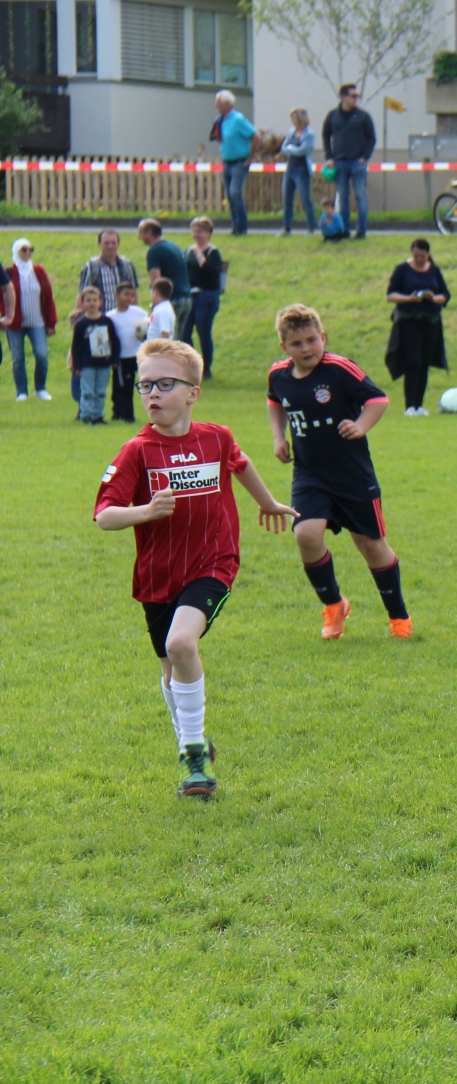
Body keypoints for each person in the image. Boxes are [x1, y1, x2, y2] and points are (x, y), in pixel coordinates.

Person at [94, 338, 296, 798]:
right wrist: (145, 511)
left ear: (193, 392)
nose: (152, 393)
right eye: (145, 385)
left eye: (165, 384)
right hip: (157, 577)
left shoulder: (215, 437)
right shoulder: (137, 450)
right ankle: (197, 741)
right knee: (172, 672)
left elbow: (239, 463)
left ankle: (193, 758)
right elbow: (105, 515)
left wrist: (267, 502)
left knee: (181, 642)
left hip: (213, 561)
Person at [267, 304, 411, 640]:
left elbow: (377, 400)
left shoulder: (339, 368)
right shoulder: (278, 375)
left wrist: (360, 426)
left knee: (370, 545)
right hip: (309, 475)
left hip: (352, 475)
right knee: (305, 535)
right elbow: (274, 400)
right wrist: (278, 436)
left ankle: (398, 617)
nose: (306, 348)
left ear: (324, 337)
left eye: (311, 340)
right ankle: (334, 605)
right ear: (284, 347)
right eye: (297, 343)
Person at [383, 238, 450, 416]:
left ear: (428, 255)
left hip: (431, 321)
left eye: (422, 256)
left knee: (425, 362)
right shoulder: (402, 269)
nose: (419, 259)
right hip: (408, 320)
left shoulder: (434, 270)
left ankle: (419, 405)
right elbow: (390, 295)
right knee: (413, 361)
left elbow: (445, 295)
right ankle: (409, 406)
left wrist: (432, 298)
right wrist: (410, 298)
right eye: (416, 256)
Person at [323, 83, 376, 240]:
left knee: (360, 195)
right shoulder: (333, 116)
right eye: (353, 96)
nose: (356, 99)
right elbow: (325, 135)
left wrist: (365, 156)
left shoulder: (363, 116)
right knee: (343, 197)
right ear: (344, 97)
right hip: (340, 162)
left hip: (357, 162)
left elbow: (372, 138)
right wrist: (329, 157)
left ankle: (361, 231)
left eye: (357, 96)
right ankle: (344, 230)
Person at [4, 237, 52, 401]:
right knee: (18, 358)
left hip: (37, 322)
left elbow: (48, 296)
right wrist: (5, 317)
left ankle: (40, 388)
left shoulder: (39, 271)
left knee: (41, 355)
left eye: (30, 249)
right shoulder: (8, 272)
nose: (28, 253)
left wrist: (51, 322)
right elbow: (3, 296)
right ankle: (22, 392)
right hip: (15, 323)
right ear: (16, 252)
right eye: (24, 250)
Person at [67, 286, 120, 425]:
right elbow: (76, 346)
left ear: (100, 302)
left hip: (104, 362)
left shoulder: (106, 321)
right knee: (87, 391)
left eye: (94, 300)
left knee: (100, 391)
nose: (92, 303)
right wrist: (77, 365)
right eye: (88, 300)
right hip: (87, 363)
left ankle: (98, 415)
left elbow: (114, 341)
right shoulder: (81, 324)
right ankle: (86, 415)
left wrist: (114, 359)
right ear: (83, 303)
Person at [207, 90, 256, 237]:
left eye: (218, 103)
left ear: (227, 104)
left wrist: (250, 157)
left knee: (235, 193)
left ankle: (242, 227)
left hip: (239, 162)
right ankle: (236, 227)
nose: (216, 106)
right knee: (230, 196)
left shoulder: (238, 119)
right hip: (227, 162)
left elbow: (256, 136)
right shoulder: (221, 120)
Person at [184, 217, 225, 381]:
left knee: (203, 332)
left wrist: (199, 254)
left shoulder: (213, 252)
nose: (196, 235)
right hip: (190, 295)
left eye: (200, 232)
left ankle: (206, 368)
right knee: (185, 332)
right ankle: (191, 366)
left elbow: (211, 272)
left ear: (208, 233)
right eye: (194, 231)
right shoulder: (188, 250)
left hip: (206, 296)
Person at [138, 219, 190, 342]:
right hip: (186, 298)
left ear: (150, 232)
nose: (139, 237)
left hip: (171, 299)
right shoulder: (172, 245)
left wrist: (155, 303)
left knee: (166, 339)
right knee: (178, 339)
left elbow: (157, 280)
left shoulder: (154, 251)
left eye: (141, 233)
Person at [107, 284, 148, 424]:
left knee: (132, 384)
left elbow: (148, 326)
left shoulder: (139, 313)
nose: (129, 298)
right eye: (126, 294)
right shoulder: (111, 316)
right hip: (121, 357)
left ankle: (128, 414)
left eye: (132, 295)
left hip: (136, 355)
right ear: (116, 295)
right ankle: (119, 412)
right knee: (120, 385)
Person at [281, 107, 317, 235]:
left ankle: (311, 227)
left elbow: (303, 150)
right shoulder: (291, 131)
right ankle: (286, 228)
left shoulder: (309, 134)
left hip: (302, 170)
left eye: (295, 117)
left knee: (305, 199)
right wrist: (291, 149)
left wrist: (291, 149)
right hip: (290, 169)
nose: (293, 120)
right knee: (287, 199)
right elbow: (283, 148)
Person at [145, 278, 177, 344]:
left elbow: (165, 333)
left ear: (156, 293)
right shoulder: (161, 308)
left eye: (151, 293)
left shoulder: (162, 310)